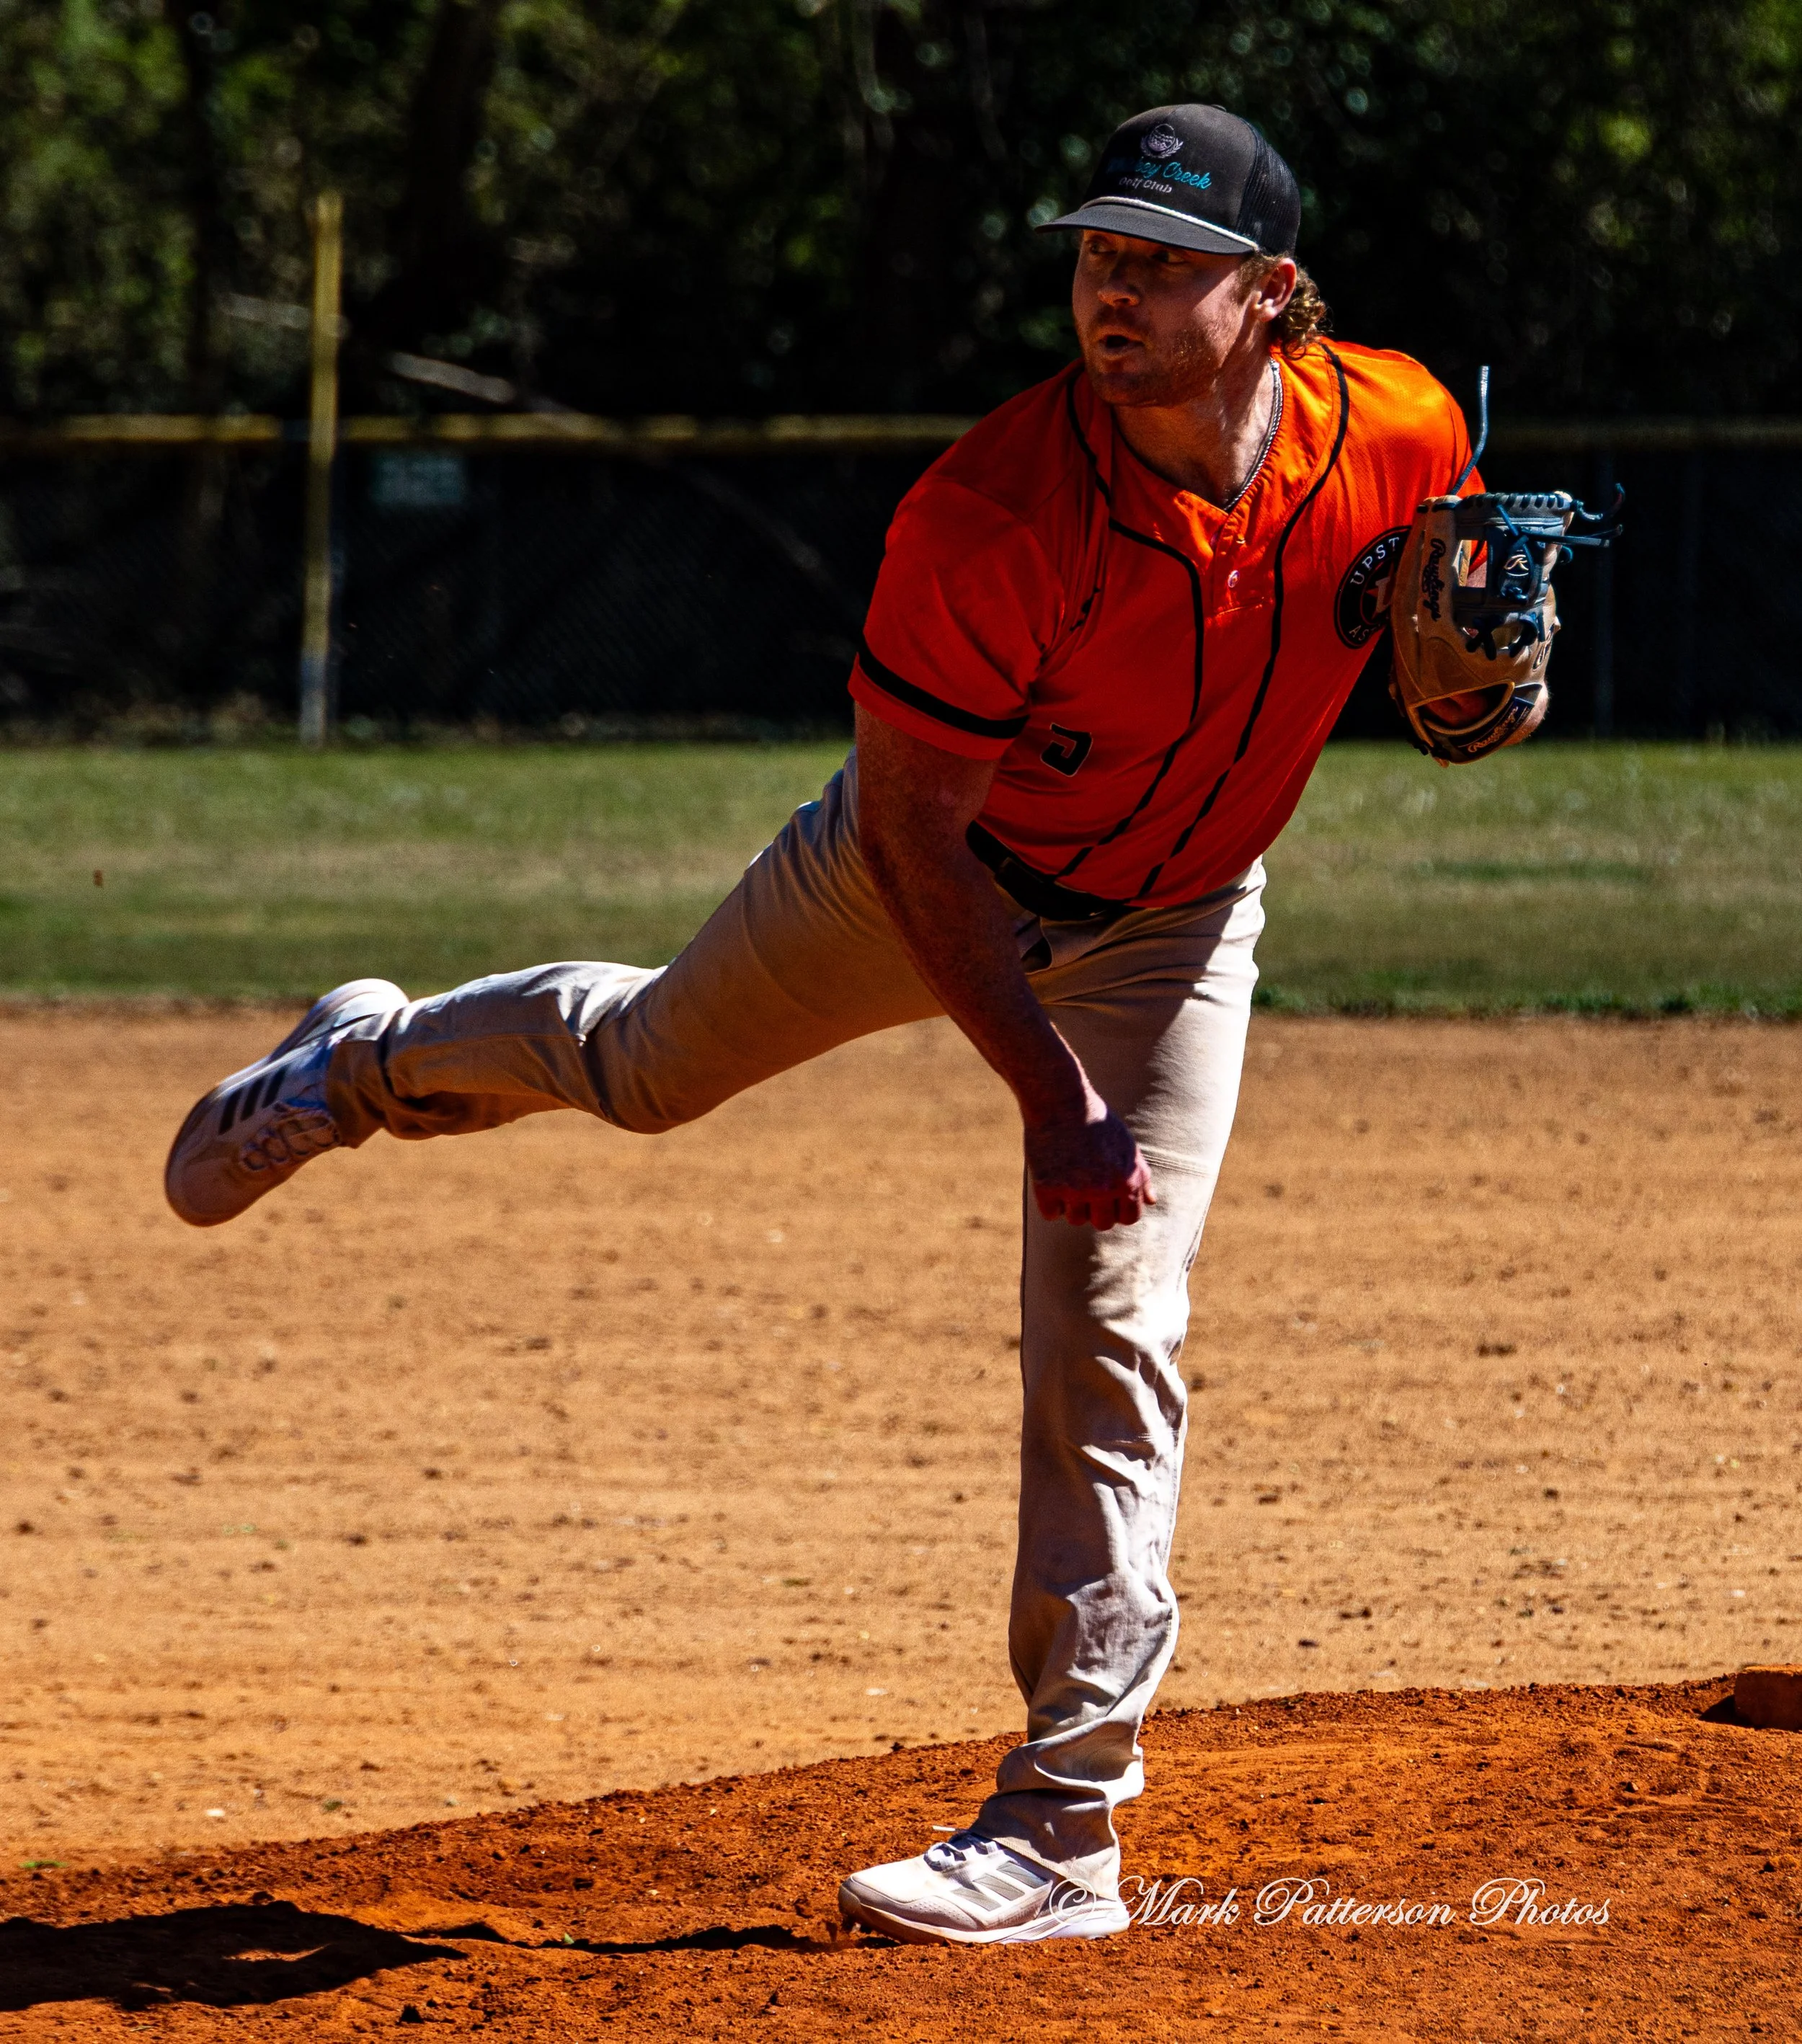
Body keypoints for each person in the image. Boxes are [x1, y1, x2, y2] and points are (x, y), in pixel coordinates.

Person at [166, 104, 1497, 1947]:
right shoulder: (989, 511)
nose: (1109, 293)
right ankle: (363, 1060)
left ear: (1270, 297)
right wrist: (1050, 1094)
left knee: (1112, 1314)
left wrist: (1500, 662)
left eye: (1158, 265)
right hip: (924, 877)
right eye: (1095, 254)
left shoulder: (1403, 423)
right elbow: (913, 836)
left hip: (1178, 922)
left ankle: (1059, 1830)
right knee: (645, 1069)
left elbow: (1462, 614)